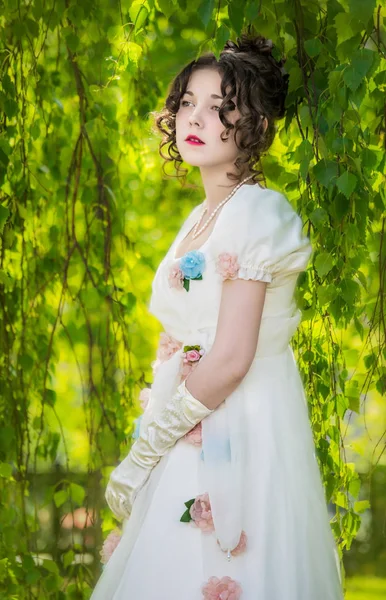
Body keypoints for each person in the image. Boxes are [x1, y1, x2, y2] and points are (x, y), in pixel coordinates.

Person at [90, 29, 344, 600]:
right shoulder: (199, 218)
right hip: (189, 423)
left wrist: (146, 447)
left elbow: (230, 358)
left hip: (242, 427)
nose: (195, 118)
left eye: (219, 107)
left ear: (253, 124)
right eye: (187, 103)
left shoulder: (257, 212)